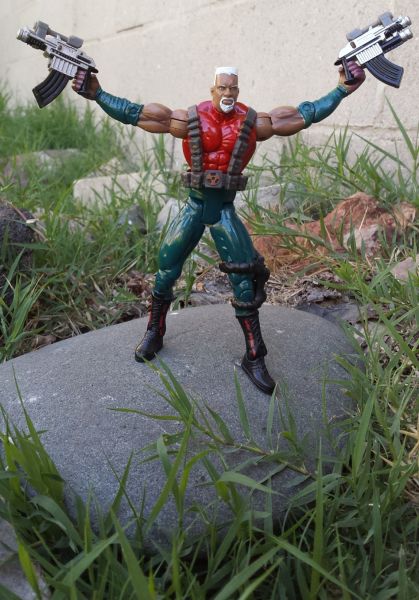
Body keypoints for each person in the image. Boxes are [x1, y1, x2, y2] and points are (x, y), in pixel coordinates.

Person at [72, 61, 365, 395]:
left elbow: (303, 115)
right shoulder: (188, 118)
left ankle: (254, 355)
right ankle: (155, 330)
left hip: (223, 209)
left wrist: (341, 89)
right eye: (222, 88)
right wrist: (98, 94)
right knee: (166, 270)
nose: (228, 93)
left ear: (238, 90)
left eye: (232, 88)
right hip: (194, 206)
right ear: (213, 89)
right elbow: (135, 114)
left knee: (243, 280)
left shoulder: (253, 122)